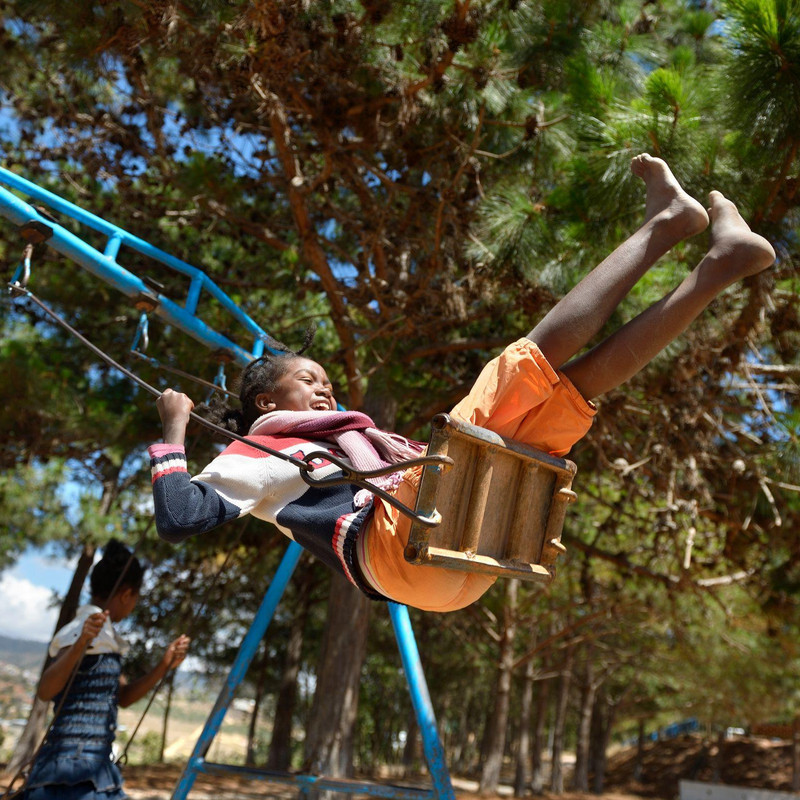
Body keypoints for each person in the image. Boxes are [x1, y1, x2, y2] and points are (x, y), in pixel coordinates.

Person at [149, 154, 775, 613]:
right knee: (524, 364)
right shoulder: (258, 453)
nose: (325, 392)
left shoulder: (342, 443)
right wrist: (174, 431)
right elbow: (180, 518)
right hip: (402, 553)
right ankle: (666, 225)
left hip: (447, 569)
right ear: (265, 403)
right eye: (309, 381)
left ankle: (721, 266)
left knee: (568, 395)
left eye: (328, 384)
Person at [22, 540, 190, 800]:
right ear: (126, 594)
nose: (133, 605)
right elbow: (45, 690)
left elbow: (122, 697)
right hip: (71, 769)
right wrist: (80, 644)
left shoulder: (105, 637)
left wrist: (164, 665)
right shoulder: (82, 630)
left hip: (94, 765)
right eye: (135, 598)